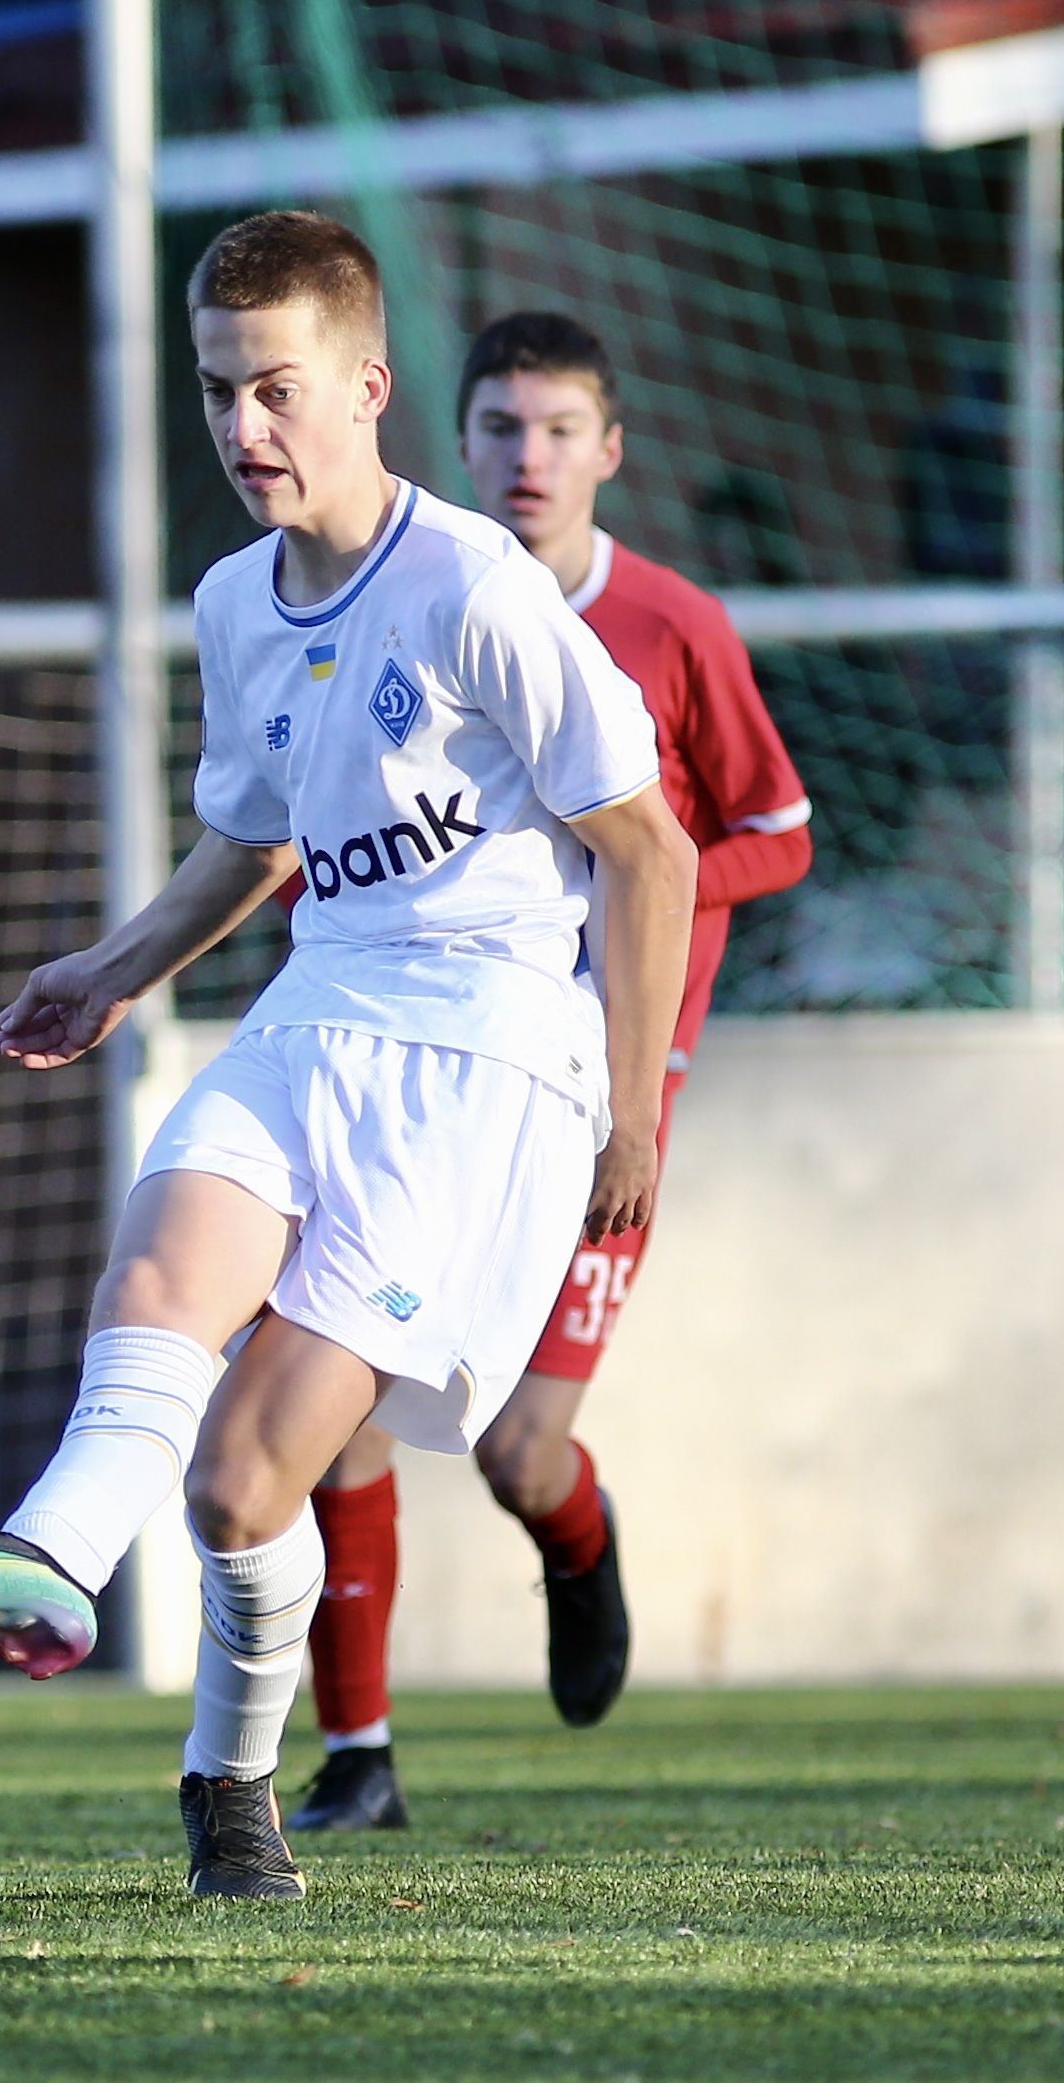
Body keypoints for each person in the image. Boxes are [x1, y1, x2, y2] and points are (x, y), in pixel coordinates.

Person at [0, 210, 697, 1901]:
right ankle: (47, 1560)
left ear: (366, 387)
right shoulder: (232, 600)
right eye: (218, 390)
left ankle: (230, 1784)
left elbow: (650, 852)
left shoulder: (474, 587)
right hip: (315, 1005)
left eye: (276, 388)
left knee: (241, 1476)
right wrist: (111, 971)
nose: (243, 425)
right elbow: (259, 837)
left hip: (482, 1056)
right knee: (157, 1265)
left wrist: (628, 1115)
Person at [289, 312, 813, 1833]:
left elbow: (780, 832)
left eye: (559, 429)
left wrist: (635, 883)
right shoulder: (416, 595)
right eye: (502, 427)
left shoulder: (672, 623)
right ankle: (359, 1754)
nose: (529, 456)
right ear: (461, 442)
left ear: (609, 449)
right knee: (341, 1406)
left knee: (522, 1449)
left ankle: (579, 1544)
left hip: (600, 1088)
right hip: (438, 1060)